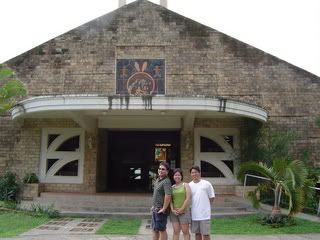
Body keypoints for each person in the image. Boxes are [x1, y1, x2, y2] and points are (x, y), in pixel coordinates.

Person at [189, 165, 215, 240]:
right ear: (190, 174)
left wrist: (206, 206)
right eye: (192, 172)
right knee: (197, 234)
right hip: (194, 214)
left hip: (204, 214)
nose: (194, 174)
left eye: (196, 172)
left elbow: (212, 197)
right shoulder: (189, 185)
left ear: (199, 173)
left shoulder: (206, 184)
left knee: (206, 234)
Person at [151, 161, 172, 240]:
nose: (160, 170)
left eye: (163, 169)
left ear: (167, 171)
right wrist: (153, 206)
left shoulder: (166, 182)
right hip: (155, 209)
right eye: (159, 168)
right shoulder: (158, 180)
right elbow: (157, 194)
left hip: (160, 210)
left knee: (161, 230)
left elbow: (168, 195)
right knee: (155, 230)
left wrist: (164, 208)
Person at [170, 168, 191, 240]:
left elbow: (188, 198)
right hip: (174, 213)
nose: (177, 176)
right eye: (175, 175)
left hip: (184, 212)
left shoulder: (186, 185)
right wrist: (172, 210)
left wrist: (181, 209)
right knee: (176, 232)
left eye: (179, 175)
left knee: (185, 232)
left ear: (181, 176)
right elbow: (170, 200)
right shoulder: (172, 187)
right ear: (173, 176)